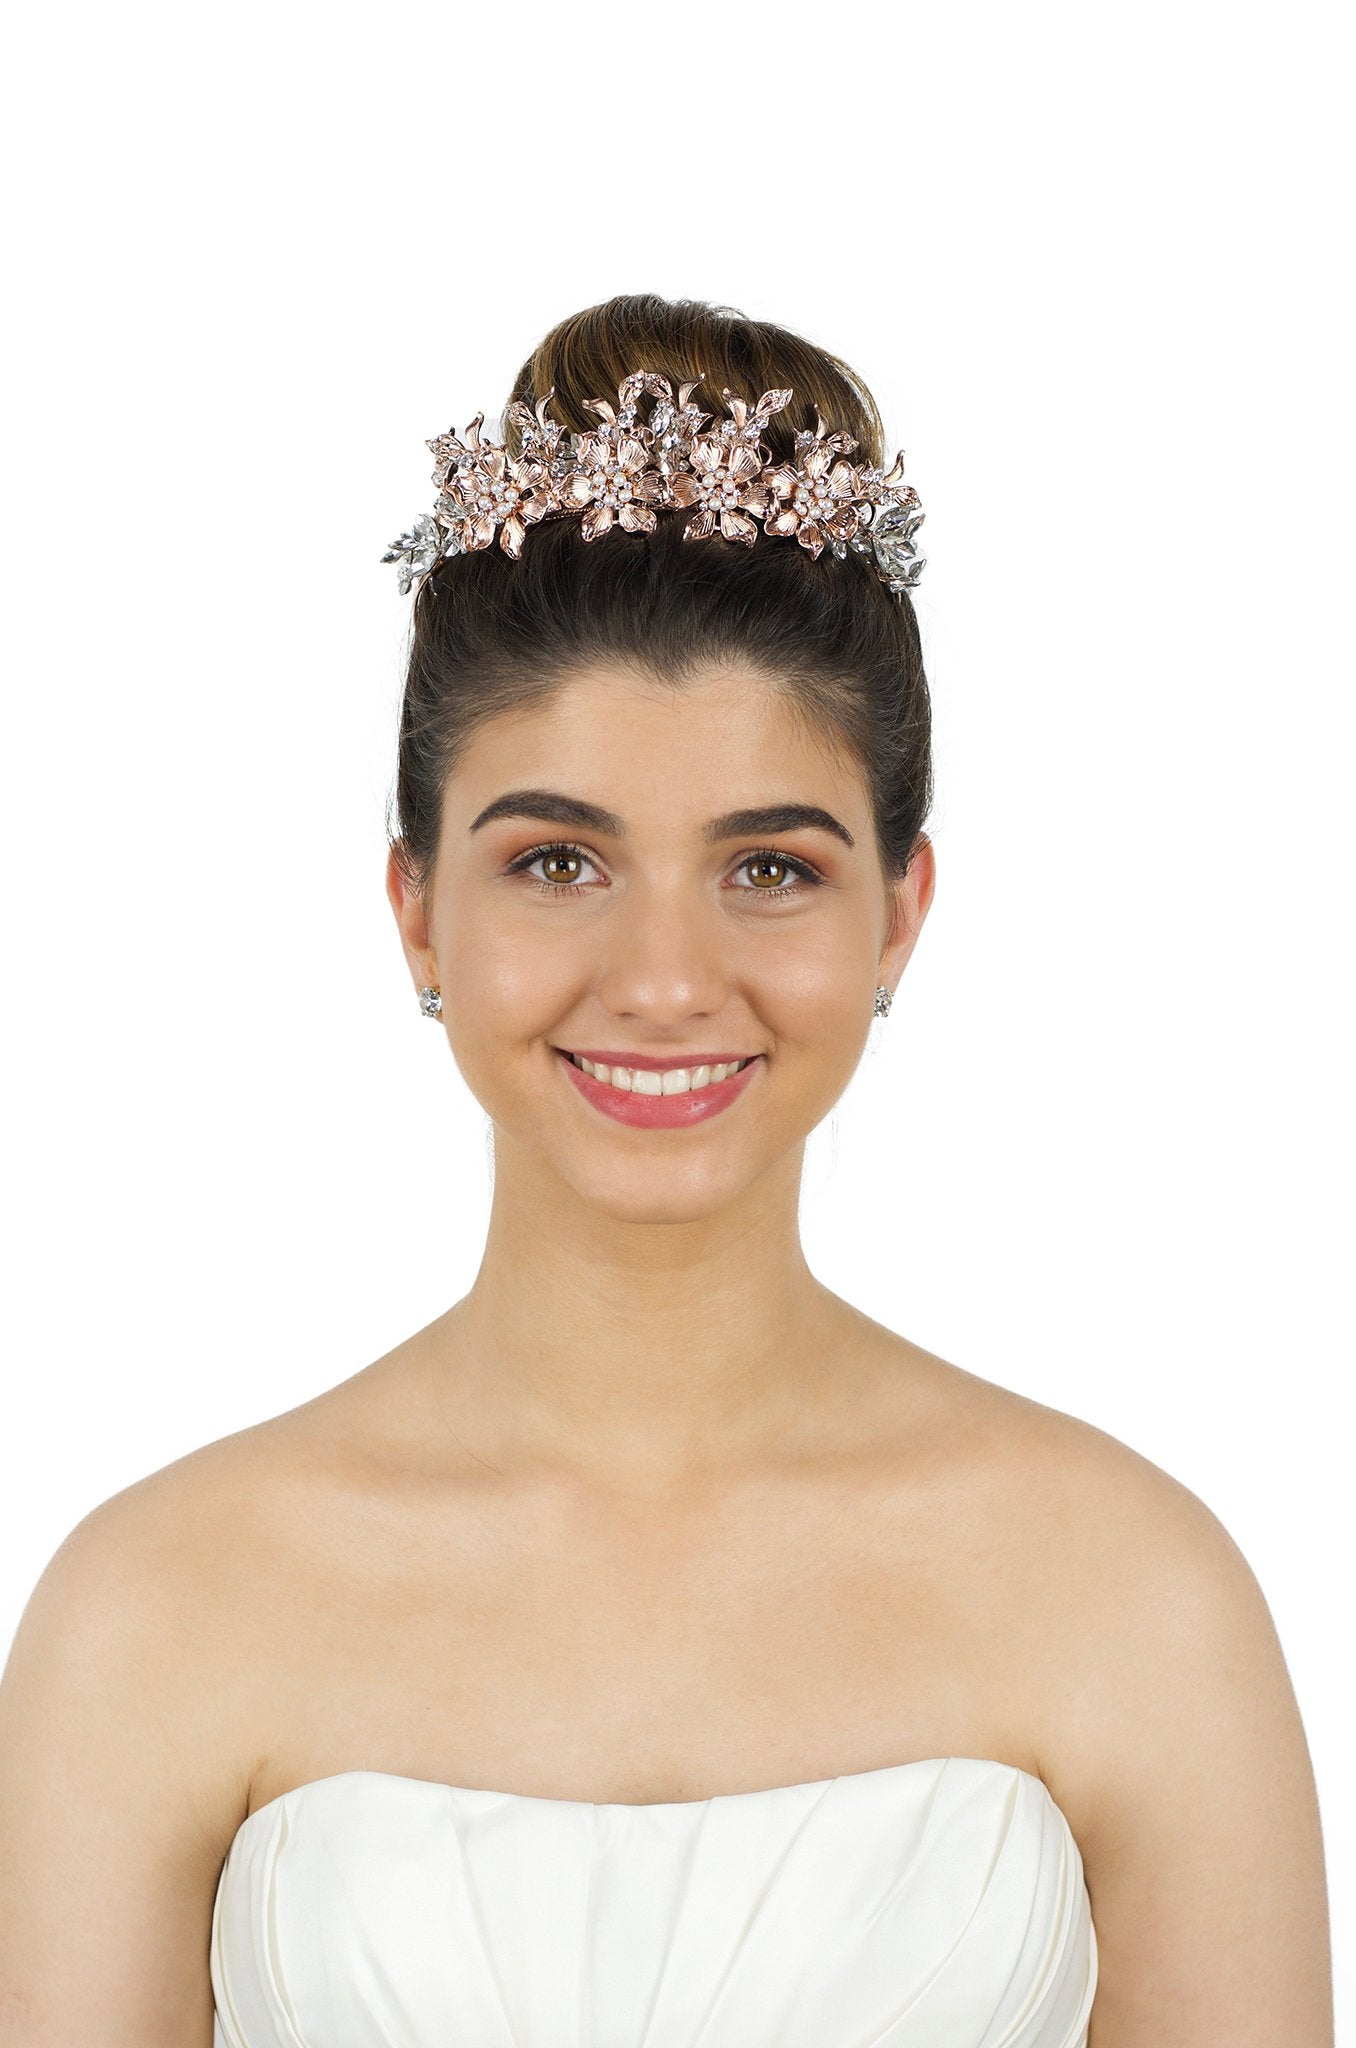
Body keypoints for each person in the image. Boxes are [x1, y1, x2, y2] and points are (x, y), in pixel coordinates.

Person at [0, 294, 1332, 2046]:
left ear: (900, 913)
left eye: (769, 868)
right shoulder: (150, 1612)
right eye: (558, 863)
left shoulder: (1143, 1603)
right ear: (416, 907)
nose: (661, 977)